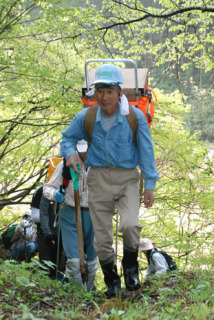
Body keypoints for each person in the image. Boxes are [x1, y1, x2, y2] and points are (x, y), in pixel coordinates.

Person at [60, 64, 159, 297]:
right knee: (102, 236)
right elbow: (67, 139)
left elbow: (146, 152)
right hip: (97, 178)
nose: (105, 97)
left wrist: (150, 185)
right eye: (100, 91)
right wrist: (72, 154)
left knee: (131, 225)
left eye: (110, 91)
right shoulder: (87, 116)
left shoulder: (135, 117)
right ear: (94, 93)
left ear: (120, 92)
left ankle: (131, 271)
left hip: (128, 179)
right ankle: (112, 281)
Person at [43, 140, 97, 291]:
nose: (83, 153)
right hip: (70, 213)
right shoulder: (66, 164)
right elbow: (47, 188)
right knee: (74, 259)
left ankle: (89, 290)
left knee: (93, 258)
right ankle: (79, 292)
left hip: (95, 214)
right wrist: (55, 193)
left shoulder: (100, 163)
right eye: (80, 150)